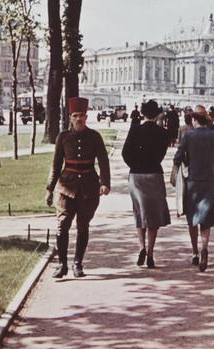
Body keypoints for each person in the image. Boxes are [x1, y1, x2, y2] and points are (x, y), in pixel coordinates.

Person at [46, 97, 111, 279]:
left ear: (86, 116)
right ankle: (62, 264)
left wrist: (105, 183)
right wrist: (49, 188)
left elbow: (103, 162)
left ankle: (77, 263)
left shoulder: (95, 137)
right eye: (75, 115)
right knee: (62, 225)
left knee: (83, 226)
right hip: (66, 187)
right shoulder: (63, 137)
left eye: (81, 115)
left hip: (89, 188)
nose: (79, 119)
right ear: (70, 118)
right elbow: (56, 164)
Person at [122, 100, 172, 268]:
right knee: (153, 216)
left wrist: (135, 164)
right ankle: (150, 252)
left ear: (142, 113)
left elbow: (125, 152)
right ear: (158, 114)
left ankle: (141, 246)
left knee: (139, 212)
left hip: (136, 174)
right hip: (154, 174)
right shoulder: (164, 134)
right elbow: (161, 154)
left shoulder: (135, 129)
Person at [173, 105, 214, 272]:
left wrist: (184, 165)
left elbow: (178, 156)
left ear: (194, 120)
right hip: (208, 180)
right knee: (206, 217)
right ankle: (205, 247)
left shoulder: (188, 135)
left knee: (192, 217)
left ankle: (194, 251)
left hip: (192, 179)